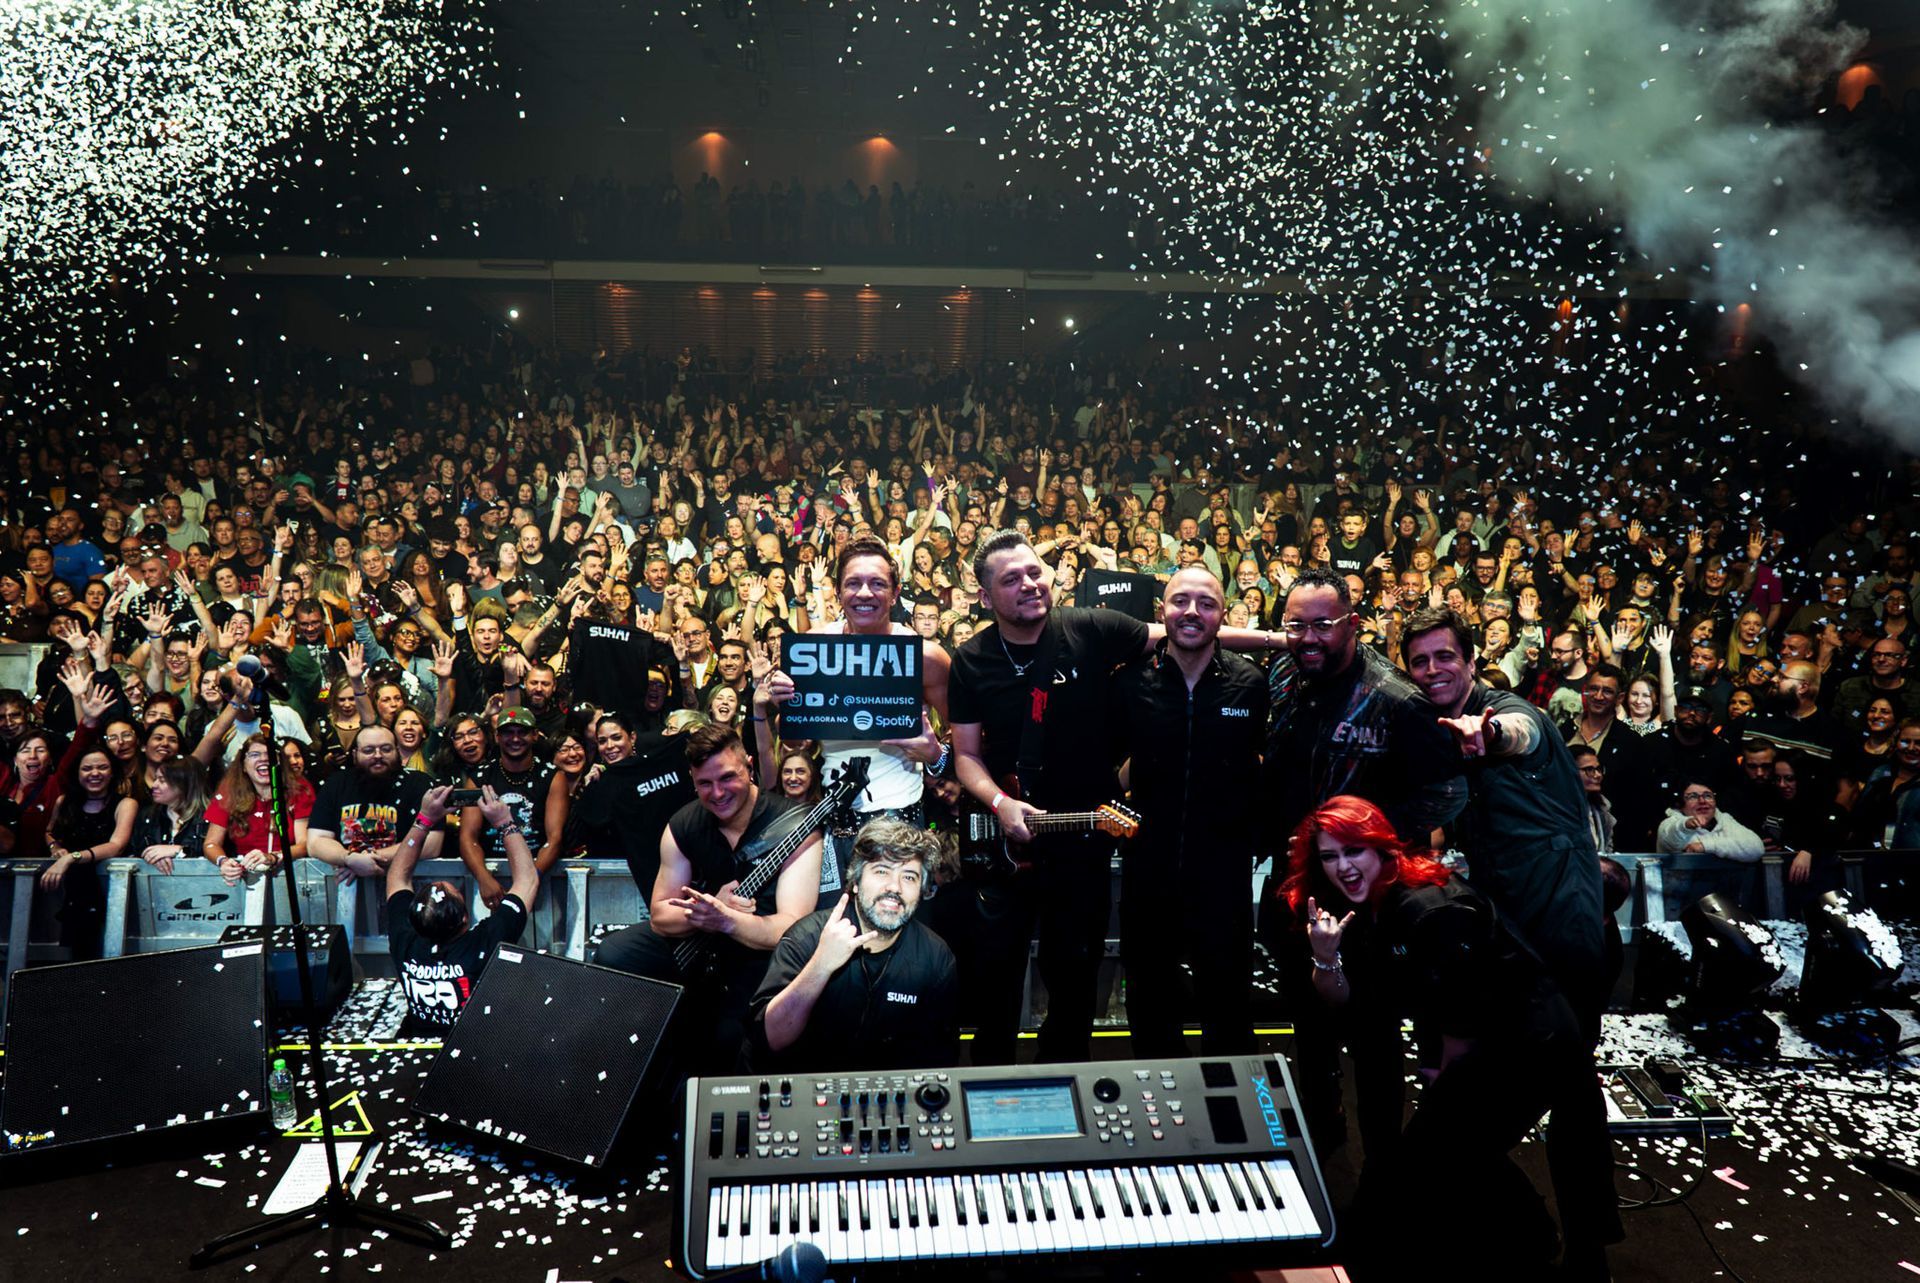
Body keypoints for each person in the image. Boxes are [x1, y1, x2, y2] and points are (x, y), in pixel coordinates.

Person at [1287, 796, 1605, 1279]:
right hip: (1475, 1035)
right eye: (1330, 856)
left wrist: (1440, 1083)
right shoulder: (1351, 904)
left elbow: (1465, 1013)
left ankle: (1534, 1242)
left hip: (1530, 1042)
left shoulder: (1429, 906)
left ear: (1382, 848)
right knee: (1449, 1151)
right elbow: (1344, 1001)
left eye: (1354, 851)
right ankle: (1530, 1236)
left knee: (1440, 1153)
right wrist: (1324, 955)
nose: (1343, 867)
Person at [1401, 606, 1623, 1263]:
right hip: (1520, 941)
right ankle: (1565, 1241)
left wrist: (1486, 732)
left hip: (1570, 936)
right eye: (1421, 660)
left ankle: (1572, 1246)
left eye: (1446, 656)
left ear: (1471, 661)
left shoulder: (1515, 718)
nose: (1434, 669)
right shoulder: (1435, 727)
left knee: (1564, 1095)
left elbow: (1515, 732)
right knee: (1559, 1089)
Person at [1257, 567, 1465, 1153]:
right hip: (1298, 880)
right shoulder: (1284, 675)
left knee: (1374, 1033)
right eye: (1296, 625)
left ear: (1353, 623)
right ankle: (1322, 1144)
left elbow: (1447, 793)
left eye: (1323, 624)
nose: (1309, 637)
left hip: (1370, 892)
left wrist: (1365, 843)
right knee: (1308, 1020)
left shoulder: (1397, 698)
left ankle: (1382, 1172)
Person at [595, 724, 824, 1073]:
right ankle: (627, 1061)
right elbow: (659, 914)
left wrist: (728, 920)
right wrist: (705, 912)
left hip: (761, 949)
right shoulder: (682, 824)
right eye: (704, 784)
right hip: (703, 941)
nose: (717, 793)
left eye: (727, 778)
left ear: (749, 766)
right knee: (613, 952)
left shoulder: (795, 825)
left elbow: (789, 928)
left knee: (727, 1037)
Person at [1111, 566, 1268, 1056]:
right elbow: (1108, 769)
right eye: (1181, 601)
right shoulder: (1131, 683)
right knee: (1150, 1002)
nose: (1192, 612)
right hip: (1148, 871)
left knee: (1228, 1004)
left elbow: (1261, 767)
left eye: (1206, 603)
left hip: (1222, 874)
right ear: (1163, 611)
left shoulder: (1250, 684)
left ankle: (1232, 1121)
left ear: (1223, 614)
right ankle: (1160, 1118)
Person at [756, 534, 950, 906]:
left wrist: (936, 755)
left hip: (899, 817)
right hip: (830, 816)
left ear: (894, 594)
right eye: (853, 583)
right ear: (838, 592)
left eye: (877, 583)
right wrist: (783, 706)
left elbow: (967, 738)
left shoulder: (926, 656)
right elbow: (796, 743)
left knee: (892, 930)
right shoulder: (813, 645)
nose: (865, 593)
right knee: (833, 929)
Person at [749, 818, 958, 1072]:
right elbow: (771, 1039)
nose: (895, 887)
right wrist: (821, 965)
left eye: (910, 877)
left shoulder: (935, 958)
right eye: (881, 871)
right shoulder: (806, 937)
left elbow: (939, 1062)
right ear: (856, 882)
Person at [387, 784, 536, 1034]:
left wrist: (424, 820)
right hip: (474, 1049)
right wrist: (505, 822)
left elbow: (396, 878)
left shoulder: (406, 942)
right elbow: (527, 879)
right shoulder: (485, 944)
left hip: (425, 1049)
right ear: (466, 919)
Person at [457, 706, 568, 908]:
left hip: (539, 871)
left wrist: (530, 880)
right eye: (508, 732)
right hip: (492, 874)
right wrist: (483, 878)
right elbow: (467, 837)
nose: (515, 739)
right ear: (497, 737)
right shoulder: (479, 778)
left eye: (522, 732)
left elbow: (554, 839)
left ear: (535, 735)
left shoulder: (553, 776)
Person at [306, 725, 443, 878]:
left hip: (407, 879)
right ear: (355, 754)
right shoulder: (336, 784)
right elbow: (316, 842)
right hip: (346, 884)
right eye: (368, 750)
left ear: (397, 751)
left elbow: (432, 844)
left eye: (386, 749)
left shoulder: (420, 783)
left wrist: (370, 860)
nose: (378, 755)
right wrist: (349, 859)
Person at [133, 755, 210, 873]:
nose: (154, 785)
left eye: (162, 780)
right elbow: (134, 852)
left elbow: (216, 854)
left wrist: (180, 850)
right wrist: (153, 857)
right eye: (155, 779)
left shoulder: (209, 818)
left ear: (183, 784)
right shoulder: (147, 816)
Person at [1658, 779, 1766, 861]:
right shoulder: (1669, 824)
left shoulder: (1724, 820)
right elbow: (1671, 839)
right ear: (1679, 804)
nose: (1702, 801)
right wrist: (1685, 826)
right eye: (1692, 797)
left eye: (1708, 796)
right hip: (1678, 890)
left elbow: (1756, 848)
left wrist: (1706, 846)